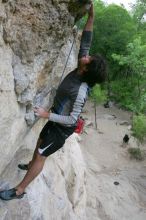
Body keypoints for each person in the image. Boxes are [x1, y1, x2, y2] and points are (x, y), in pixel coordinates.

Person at [0, 2, 107, 201]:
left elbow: (72, 120)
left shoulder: (81, 91)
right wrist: (91, 17)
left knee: (42, 154)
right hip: (55, 119)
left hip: (62, 128)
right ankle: (31, 165)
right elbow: (86, 41)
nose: (86, 55)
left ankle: (19, 190)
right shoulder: (81, 67)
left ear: (87, 69)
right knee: (39, 143)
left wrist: (47, 114)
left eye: (89, 58)